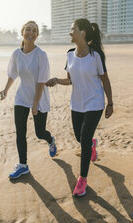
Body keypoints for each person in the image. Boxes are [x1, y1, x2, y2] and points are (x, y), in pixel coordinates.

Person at [46, 19, 113, 197]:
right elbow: (70, 80)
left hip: (95, 102)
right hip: (77, 103)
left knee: (83, 139)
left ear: (82, 32)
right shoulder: (69, 54)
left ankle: (82, 179)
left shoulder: (96, 55)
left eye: (72, 29)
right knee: (79, 136)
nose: (70, 33)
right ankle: (92, 144)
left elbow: (105, 80)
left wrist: (110, 102)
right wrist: (56, 80)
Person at [0, 21, 57, 179]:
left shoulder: (41, 55)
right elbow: (12, 74)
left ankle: (50, 139)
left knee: (39, 133)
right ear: (22, 32)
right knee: (20, 132)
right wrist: (5, 90)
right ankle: (23, 165)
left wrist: (35, 103)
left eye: (34, 31)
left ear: (37, 35)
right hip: (21, 97)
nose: (31, 33)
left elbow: (41, 81)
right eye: (28, 30)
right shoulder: (16, 54)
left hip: (39, 98)